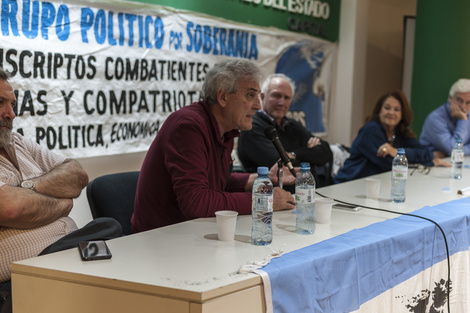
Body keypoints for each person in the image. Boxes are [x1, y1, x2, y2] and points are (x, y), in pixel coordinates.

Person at [0, 68, 122, 313]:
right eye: (1, 103)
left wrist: (28, 188)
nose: (11, 114)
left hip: (67, 252)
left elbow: (77, 175)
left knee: (113, 233)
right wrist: (62, 203)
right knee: (107, 232)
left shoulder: (19, 143)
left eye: (13, 104)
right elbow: (12, 208)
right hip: (31, 269)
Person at [131, 59, 296, 232]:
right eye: (250, 95)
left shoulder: (226, 129)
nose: (258, 105)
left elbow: (214, 181)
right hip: (159, 238)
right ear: (223, 97)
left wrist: (260, 180)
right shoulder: (188, 126)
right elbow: (196, 202)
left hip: (191, 232)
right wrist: (263, 200)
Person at [237, 73, 333, 188]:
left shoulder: (292, 124)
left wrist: (295, 154)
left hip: (306, 195)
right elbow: (286, 168)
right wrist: (310, 158)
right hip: (268, 199)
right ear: (262, 97)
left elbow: (326, 152)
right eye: (276, 96)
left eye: (286, 98)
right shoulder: (252, 127)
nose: (281, 103)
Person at [334, 90, 448, 183]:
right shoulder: (370, 131)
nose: (391, 113)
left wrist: (396, 151)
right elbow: (391, 165)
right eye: (387, 108)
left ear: (402, 114)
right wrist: (430, 163)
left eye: (396, 109)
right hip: (349, 185)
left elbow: (426, 152)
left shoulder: (399, 133)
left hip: (377, 186)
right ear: (379, 111)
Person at [420, 78, 470, 157]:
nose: (463, 107)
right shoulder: (435, 118)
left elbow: (455, 152)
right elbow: (453, 150)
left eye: (468, 102)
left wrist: (457, 152)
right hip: (431, 165)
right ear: (450, 98)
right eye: (459, 100)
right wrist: (463, 120)